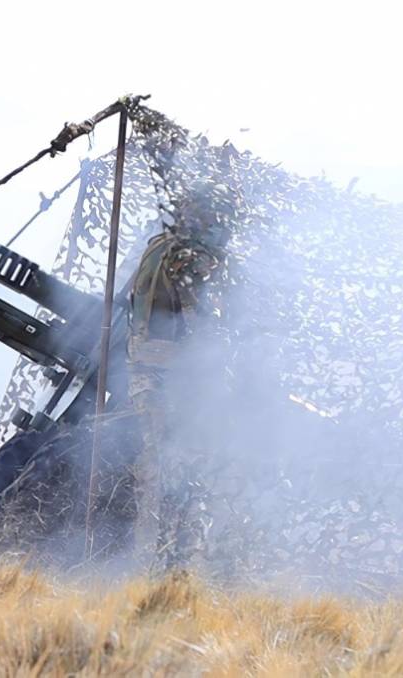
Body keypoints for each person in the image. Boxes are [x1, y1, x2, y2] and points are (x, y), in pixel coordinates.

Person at [127, 182, 230, 571]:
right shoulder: (187, 259)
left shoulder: (157, 246)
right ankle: (175, 564)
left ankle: (151, 560)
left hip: (147, 373)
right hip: (176, 380)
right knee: (184, 471)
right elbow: (201, 325)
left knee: (155, 466)